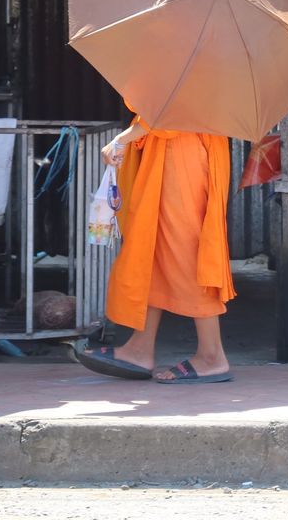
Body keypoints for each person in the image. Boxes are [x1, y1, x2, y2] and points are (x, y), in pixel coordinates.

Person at [75, 113, 236, 383]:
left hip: (184, 152)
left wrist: (124, 138)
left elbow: (176, 106)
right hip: (168, 148)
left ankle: (212, 355)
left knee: (186, 252)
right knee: (154, 248)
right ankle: (140, 348)